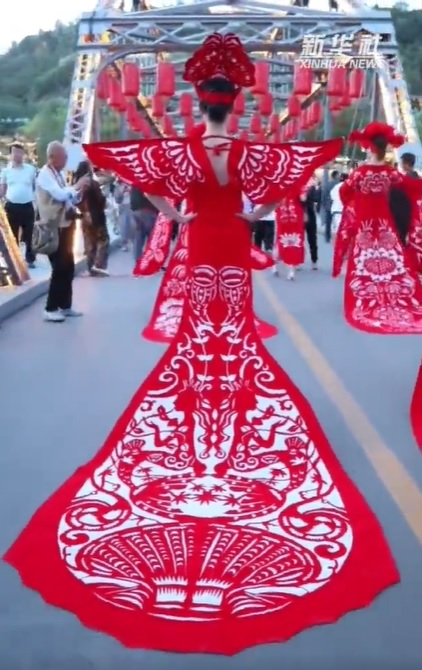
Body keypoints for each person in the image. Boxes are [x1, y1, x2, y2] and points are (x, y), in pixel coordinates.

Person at [4, 34, 398, 655]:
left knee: (196, 334)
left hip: (201, 240)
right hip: (234, 241)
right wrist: (253, 214)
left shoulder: (184, 149)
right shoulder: (247, 151)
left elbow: (139, 177)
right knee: (235, 332)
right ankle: (236, 417)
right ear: (234, 105)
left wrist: (179, 216)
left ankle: (195, 418)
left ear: (202, 103)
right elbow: (290, 179)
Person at [332, 122, 422, 334]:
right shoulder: (390, 173)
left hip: (363, 223)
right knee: (393, 260)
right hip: (385, 224)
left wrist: (354, 204)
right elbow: (411, 187)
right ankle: (395, 295)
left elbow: (344, 192)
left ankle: (366, 297)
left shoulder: (359, 173)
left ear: (370, 148)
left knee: (361, 261)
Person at [35, 141, 89, 322]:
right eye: (63, 157)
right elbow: (59, 194)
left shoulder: (58, 174)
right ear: (53, 157)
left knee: (68, 266)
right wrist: (77, 185)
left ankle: (65, 306)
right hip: (53, 228)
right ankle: (50, 308)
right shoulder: (44, 175)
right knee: (59, 268)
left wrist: (79, 191)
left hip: (65, 225)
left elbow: (69, 199)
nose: (66, 160)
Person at [0, 142, 37, 268]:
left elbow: (35, 187)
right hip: (12, 207)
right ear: (10, 154)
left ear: (23, 154)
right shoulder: (6, 171)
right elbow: (3, 189)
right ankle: (16, 261)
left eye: (20, 152)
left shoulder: (30, 170)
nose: (17, 155)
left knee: (29, 234)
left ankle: (30, 259)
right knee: (12, 235)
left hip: (27, 206)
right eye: (15, 152)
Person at [74, 160, 110, 277]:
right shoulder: (92, 183)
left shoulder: (77, 184)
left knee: (89, 243)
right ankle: (99, 265)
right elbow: (100, 199)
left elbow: (75, 201)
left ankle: (90, 267)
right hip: (96, 214)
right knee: (103, 240)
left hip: (84, 216)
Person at [130, 185, 158, 261]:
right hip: (148, 211)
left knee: (138, 239)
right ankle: (151, 259)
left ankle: (138, 260)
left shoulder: (134, 183)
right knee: (152, 238)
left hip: (136, 212)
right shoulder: (147, 182)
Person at [321, 169, 339, 242]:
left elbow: (324, 195)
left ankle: (327, 237)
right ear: (336, 176)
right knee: (337, 222)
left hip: (328, 206)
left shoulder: (328, 184)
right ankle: (337, 237)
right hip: (337, 205)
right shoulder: (339, 184)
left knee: (328, 222)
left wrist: (324, 203)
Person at [330, 173, 347, 238]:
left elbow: (332, 196)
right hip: (345, 211)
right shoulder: (349, 187)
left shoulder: (336, 186)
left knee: (336, 230)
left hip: (336, 210)